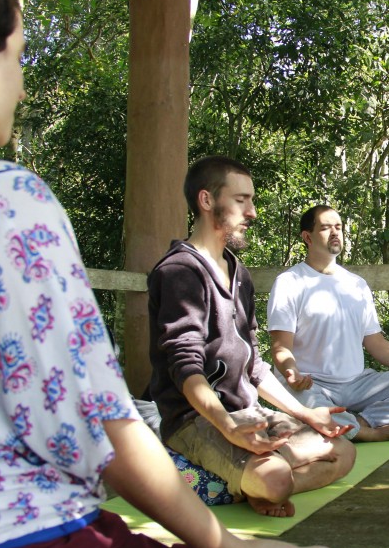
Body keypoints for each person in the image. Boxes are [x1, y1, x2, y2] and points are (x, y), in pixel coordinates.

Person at [0, 0, 349, 548]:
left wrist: (298, 415)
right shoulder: (3, 200)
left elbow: (257, 364)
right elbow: (106, 419)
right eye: (18, 57)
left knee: (334, 450)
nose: (23, 84)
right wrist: (228, 547)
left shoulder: (235, 272)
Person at [146, 157, 356, 517]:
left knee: (344, 452)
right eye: (242, 200)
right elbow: (185, 369)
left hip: (249, 411)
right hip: (197, 419)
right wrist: (228, 428)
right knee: (275, 480)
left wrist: (306, 415)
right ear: (207, 200)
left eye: (251, 200)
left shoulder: (238, 272)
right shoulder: (179, 271)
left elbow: (254, 366)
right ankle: (261, 479)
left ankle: (245, 483)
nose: (253, 212)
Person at [267, 205, 389, 442]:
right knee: (311, 410)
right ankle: (370, 434)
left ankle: (360, 424)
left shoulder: (356, 284)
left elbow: (376, 343)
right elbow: (280, 346)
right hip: (310, 383)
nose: (335, 233)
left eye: (339, 227)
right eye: (326, 228)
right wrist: (292, 374)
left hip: (357, 384)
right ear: (307, 237)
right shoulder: (290, 282)